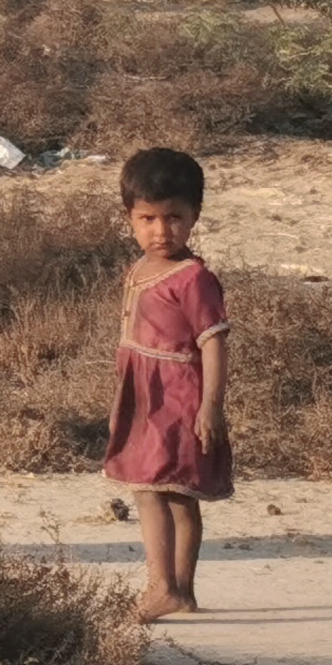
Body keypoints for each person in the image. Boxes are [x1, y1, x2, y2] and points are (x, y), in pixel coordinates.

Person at [104, 146, 233, 620]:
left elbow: (214, 342)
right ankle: (176, 590)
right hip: (145, 397)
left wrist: (210, 407)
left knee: (168, 491)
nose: (162, 231)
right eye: (148, 219)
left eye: (174, 217)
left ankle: (168, 586)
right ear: (130, 218)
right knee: (154, 488)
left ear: (195, 215)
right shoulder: (138, 269)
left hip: (178, 397)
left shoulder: (194, 278)